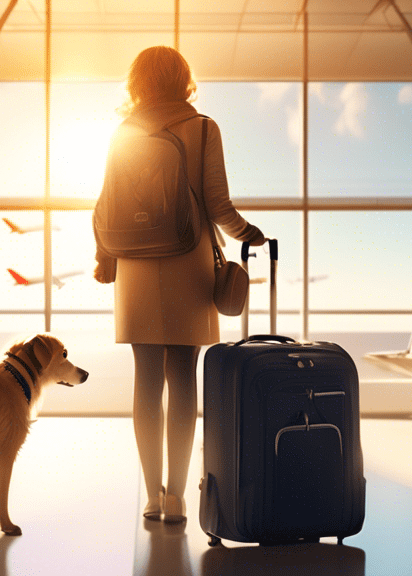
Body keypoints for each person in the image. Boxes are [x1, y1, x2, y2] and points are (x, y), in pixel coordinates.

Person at [94, 46, 266, 523]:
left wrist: (104, 256)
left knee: (145, 381)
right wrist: (249, 234)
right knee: (183, 379)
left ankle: (150, 495)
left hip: (136, 265)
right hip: (189, 262)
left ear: (136, 82)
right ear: (184, 81)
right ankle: (176, 498)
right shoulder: (204, 128)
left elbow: (104, 204)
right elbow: (218, 206)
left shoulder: (123, 133)